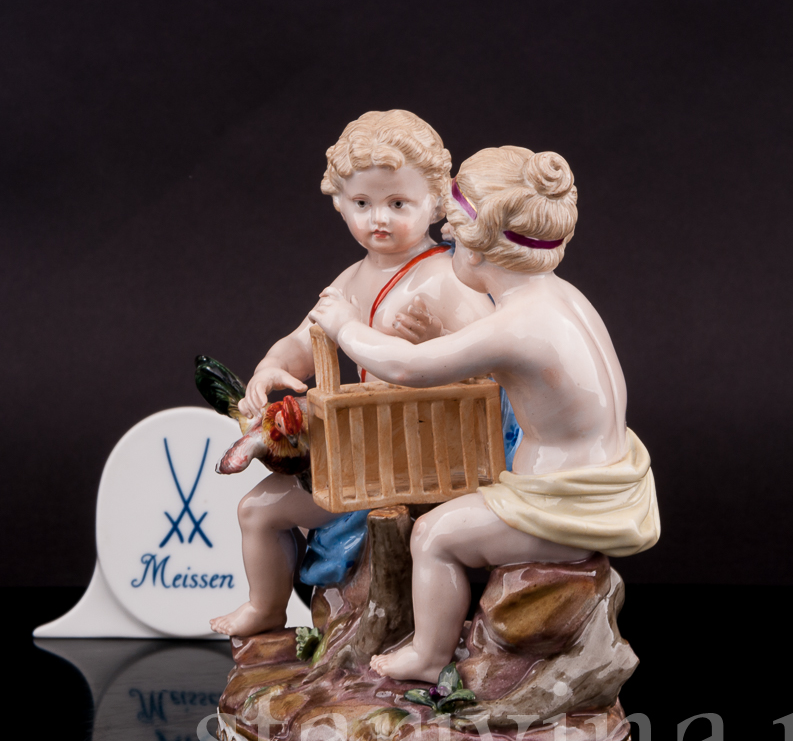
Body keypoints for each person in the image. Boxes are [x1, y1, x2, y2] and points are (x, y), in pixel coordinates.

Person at [310, 145, 660, 682]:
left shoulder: (516, 323)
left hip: (567, 505)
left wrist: (344, 326)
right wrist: (439, 335)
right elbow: (493, 366)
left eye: (451, 238)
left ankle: (427, 657)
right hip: (609, 481)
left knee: (433, 536)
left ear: (474, 251)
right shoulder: (562, 297)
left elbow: (405, 367)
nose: (446, 244)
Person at [209, 110, 495, 637]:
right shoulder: (350, 280)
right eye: (362, 203)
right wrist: (271, 366)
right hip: (365, 447)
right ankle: (266, 607)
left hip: (431, 451)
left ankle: (422, 635)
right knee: (257, 510)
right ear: (340, 202)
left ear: (436, 201)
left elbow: (494, 357)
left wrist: (436, 339)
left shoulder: (446, 278)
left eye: (398, 203)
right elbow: (303, 341)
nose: (378, 218)